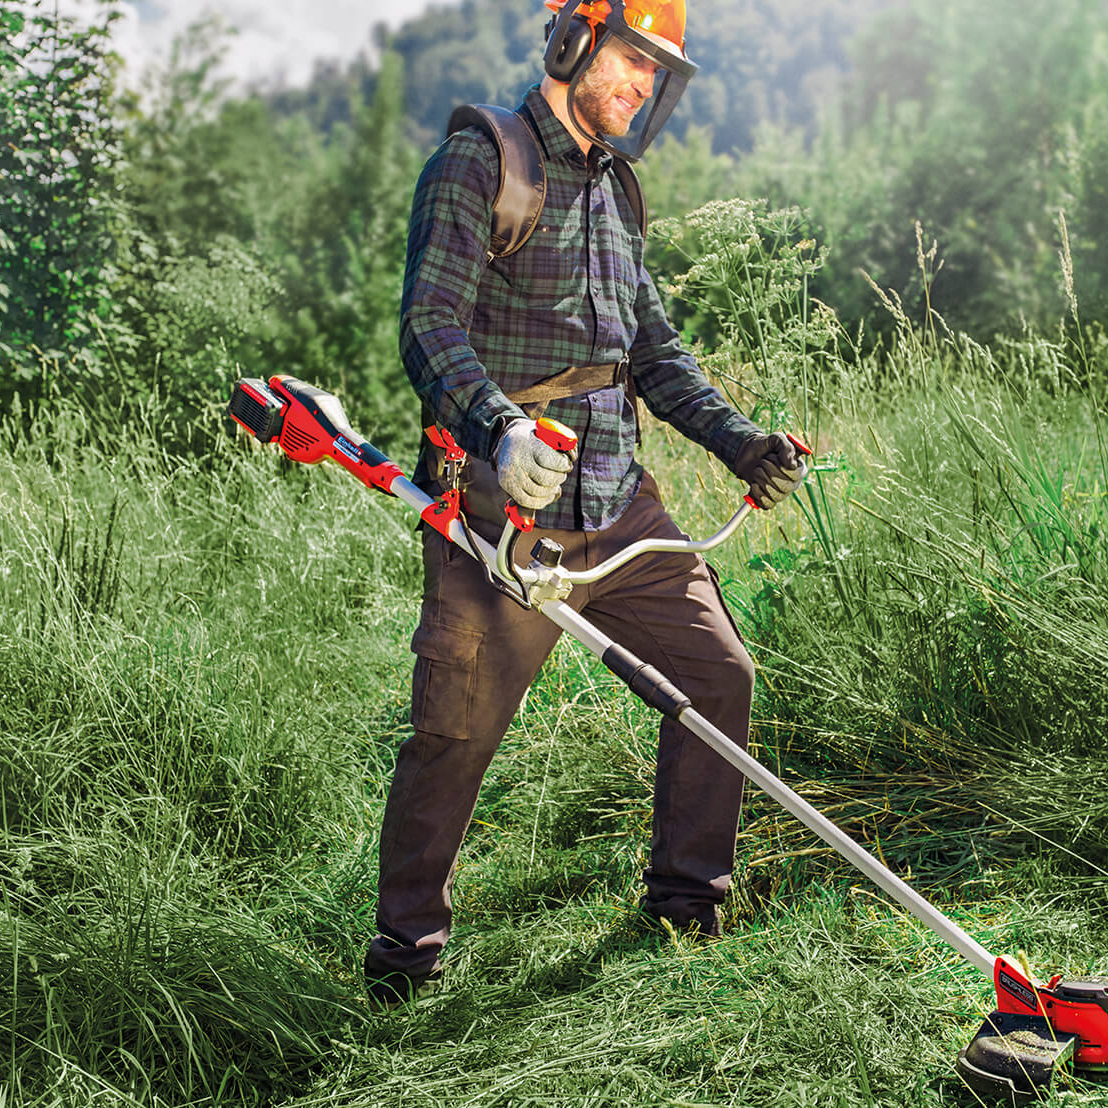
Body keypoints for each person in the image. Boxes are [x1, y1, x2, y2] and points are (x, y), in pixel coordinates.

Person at [366, 0, 806, 1006]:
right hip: (503, 513)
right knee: (453, 734)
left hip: (620, 504)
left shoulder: (619, 191)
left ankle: (685, 908)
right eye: (631, 62)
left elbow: (656, 356)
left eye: (657, 75)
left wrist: (742, 443)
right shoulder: (484, 161)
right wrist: (498, 428)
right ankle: (404, 960)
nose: (643, 87)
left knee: (718, 673)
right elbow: (428, 327)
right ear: (571, 45)